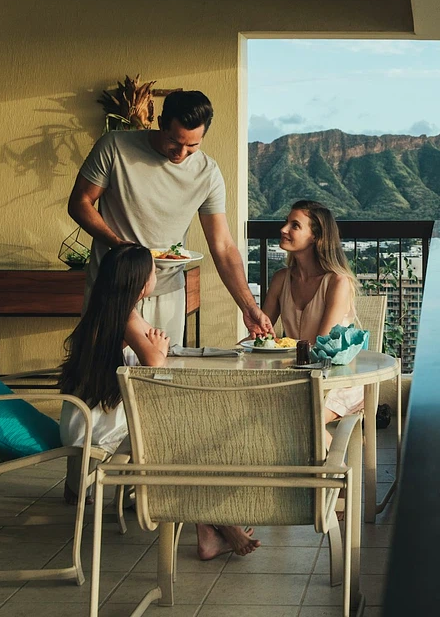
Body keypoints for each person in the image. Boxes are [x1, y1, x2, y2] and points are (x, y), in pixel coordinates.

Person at [58, 243, 260, 560]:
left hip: (91, 420)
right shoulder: (124, 319)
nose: (157, 274)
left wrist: (157, 347)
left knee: (184, 430)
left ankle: (208, 530)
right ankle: (221, 522)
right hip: (96, 430)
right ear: (141, 284)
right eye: (154, 270)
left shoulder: (112, 312)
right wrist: (159, 348)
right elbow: (154, 363)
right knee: (180, 438)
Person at [68, 90, 272, 346]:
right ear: (161, 123)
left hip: (169, 292)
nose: (181, 153)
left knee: (162, 378)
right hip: (112, 288)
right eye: (175, 142)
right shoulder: (115, 146)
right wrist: (121, 246)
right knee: (101, 378)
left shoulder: (208, 173)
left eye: (192, 146)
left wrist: (248, 306)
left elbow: (223, 246)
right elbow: (79, 203)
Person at [261, 200, 364, 424]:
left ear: (316, 237)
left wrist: (277, 345)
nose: (283, 229)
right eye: (286, 223)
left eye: (294, 225)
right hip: (294, 377)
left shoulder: (338, 282)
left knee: (301, 418)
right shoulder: (281, 278)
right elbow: (262, 336)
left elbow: (320, 346)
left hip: (336, 382)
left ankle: (339, 462)